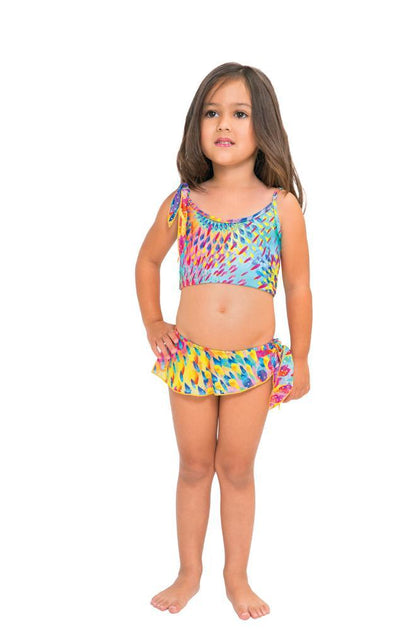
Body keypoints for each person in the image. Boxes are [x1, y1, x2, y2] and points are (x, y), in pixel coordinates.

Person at [135, 62, 312, 620]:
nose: (224, 124)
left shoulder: (281, 206)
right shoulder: (183, 202)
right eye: (212, 113)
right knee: (193, 465)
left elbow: (298, 285)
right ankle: (189, 572)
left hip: (252, 364)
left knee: (236, 468)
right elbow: (147, 261)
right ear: (197, 125)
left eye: (239, 113)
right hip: (188, 358)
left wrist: (301, 357)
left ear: (265, 127)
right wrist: (154, 323)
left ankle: (237, 577)